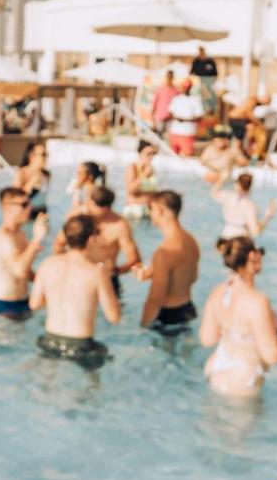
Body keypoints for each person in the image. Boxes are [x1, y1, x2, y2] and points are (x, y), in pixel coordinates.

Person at [200, 238, 277, 397]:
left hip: (216, 369)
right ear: (252, 256)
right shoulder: (256, 301)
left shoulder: (219, 292)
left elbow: (207, 339)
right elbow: (272, 356)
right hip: (242, 382)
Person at [30, 215, 120, 370]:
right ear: (91, 239)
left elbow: (34, 305)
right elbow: (114, 317)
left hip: (50, 339)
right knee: (91, 387)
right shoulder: (97, 272)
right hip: (81, 345)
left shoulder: (47, 264)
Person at [56, 186, 141, 299]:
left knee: (114, 316)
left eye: (94, 207)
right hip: (78, 276)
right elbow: (58, 244)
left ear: (108, 208)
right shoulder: (76, 218)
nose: (88, 208)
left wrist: (117, 270)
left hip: (108, 279)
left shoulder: (119, 226)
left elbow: (134, 258)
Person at [139, 191, 202, 335]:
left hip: (168, 316)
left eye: (152, 209)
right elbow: (192, 278)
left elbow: (155, 299)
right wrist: (155, 273)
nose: (150, 213)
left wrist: (142, 327)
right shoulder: (191, 240)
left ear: (161, 210)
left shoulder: (164, 253)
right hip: (188, 309)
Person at [0, 188, 48, 319]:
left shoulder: (20, 233)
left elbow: (26, 270)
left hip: (23, 301)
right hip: (5, 306)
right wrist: (37, 239)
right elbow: (19, 270)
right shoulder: (4, 238)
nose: (30, 208)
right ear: (7, 208)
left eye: (29, 203)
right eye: (24, 205)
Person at [212, 172, 277, 241]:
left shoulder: (227, 197)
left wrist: (223, 179)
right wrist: (268, 216)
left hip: (225, 236)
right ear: (250, 187)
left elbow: (214, 192)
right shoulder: (250, 206)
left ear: (236, 184)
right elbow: (256, 232)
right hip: (241, 241)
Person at [123, 140, 160, 220]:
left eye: (153, 153)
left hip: (149, 208)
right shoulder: (132, 168)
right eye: (148, 154)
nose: (151, 156)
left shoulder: (151, 169)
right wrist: (144, 175)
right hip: (135, 209)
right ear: (140, 153)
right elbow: (130, 190)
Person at [167, 80, 205, 157]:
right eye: (183, 87)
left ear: (190, 88)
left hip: (187, 132)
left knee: (187, 156)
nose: (184, 89)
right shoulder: (176, 99)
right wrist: (177, 118)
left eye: (186, 87)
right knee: (172, 156)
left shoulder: (195, 100)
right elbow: (170, 113)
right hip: (174, 132)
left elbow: (199, 118)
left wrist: (185, 120)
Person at [14, 141, 50, 217]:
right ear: (32, 156)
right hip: (26, 214)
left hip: (42, 212)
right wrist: (33, 181)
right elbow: (15, 197)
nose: (46, 157)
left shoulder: (46, 175)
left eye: (46, 154)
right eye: (43, 154)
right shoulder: (22, 173)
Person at [190, 45, 218, 114]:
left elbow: (215, 74)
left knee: (209, 96)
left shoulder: (210, 61)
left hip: (208, 82)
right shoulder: (196, 61)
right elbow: (191, 73)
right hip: (198, 82)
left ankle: (210, 110)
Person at [151, 70, 178, 135]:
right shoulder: (160, 89)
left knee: (169, 138)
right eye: (168, 76)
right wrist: (153, 122)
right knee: (158, 138)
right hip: (160, 117)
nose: (169, 78)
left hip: (171, 118)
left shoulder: (176, 90)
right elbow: (154, 105)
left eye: (171, 76)